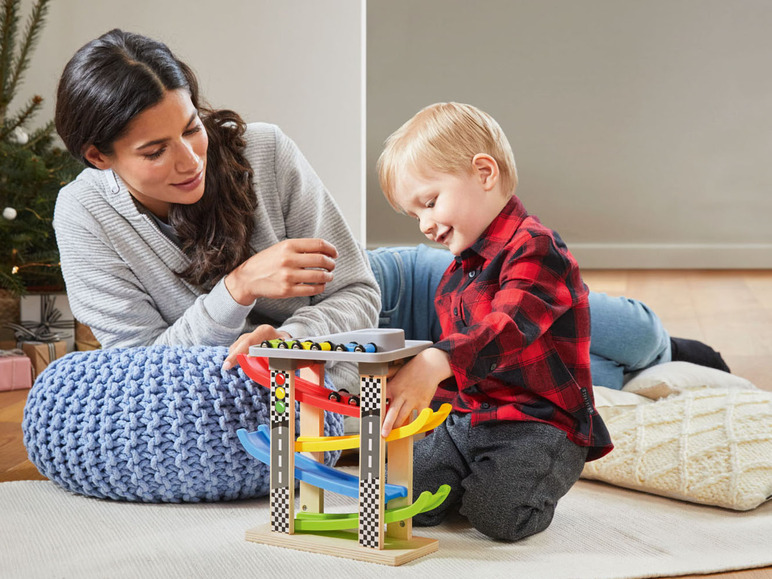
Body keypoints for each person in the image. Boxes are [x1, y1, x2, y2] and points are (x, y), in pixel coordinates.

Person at [53, 29, 380, 391]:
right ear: (98, 156)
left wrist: (290, 343)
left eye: (192, 129)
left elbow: (358, 293)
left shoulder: (266, 152)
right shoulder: (84, 214)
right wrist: (238, 288)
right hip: (214, 401)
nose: (191, 161)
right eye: (155, 152)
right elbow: (142, 371)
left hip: (335, 355)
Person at [373, 102, 606, 542]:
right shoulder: (457, 273)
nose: (424, 224)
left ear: (484, 173)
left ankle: (526, 481)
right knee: (400, 497)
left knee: (498, 518)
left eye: (429, 202)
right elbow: (464, 371)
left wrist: (435, 361)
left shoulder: (536, 248)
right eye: (414, 215)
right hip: (472, 419)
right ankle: (474, 479)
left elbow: (507, 327)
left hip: (539, 423)